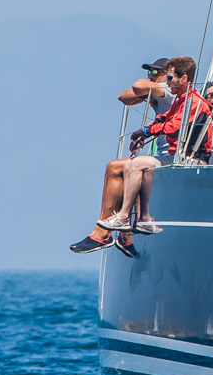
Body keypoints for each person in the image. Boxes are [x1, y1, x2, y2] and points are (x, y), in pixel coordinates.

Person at [69, 56, 182, 257]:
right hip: (163, 153)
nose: (150, 76)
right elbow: (124, 97)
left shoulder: (168, 90)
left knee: (115, 167)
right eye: (149, 73)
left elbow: (138, 86)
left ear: (168, 75)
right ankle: (124, 235)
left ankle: (103, 233)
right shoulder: (159, 94)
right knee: (127, 169)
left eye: (155, 72)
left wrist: (151, 88)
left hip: (173, 155)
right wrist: (148, 95)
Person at [96, 57, 212, 234]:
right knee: (145, 167)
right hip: (177, 156)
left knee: (134, 164)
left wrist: (148, 132)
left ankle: (124, 216)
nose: (167, 82)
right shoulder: (181, 100)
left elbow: (174, 128)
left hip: (192, 159)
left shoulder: (194, 102)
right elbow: (164, 119)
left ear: (184, 79)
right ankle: (144, 219)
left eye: (170, 78)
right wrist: (142, 132)